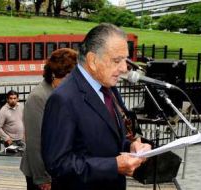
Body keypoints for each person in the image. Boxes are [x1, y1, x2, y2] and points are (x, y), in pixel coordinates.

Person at [41, 23, 151, 190]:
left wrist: (131, 147)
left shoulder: (109, 88)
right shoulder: (63, 99)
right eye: (117, 60)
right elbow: (57, 164)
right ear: (92, 60)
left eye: (125, 59)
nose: (124, 68)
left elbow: (108, 140)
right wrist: (113, 166)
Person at [20, 48, 78, 190]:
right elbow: (34, 141)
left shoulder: (65, 92)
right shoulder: (38, 97)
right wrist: (42, 178)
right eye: (67, 77)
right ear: (53, 75)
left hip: (63, 170)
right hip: (43, 173)